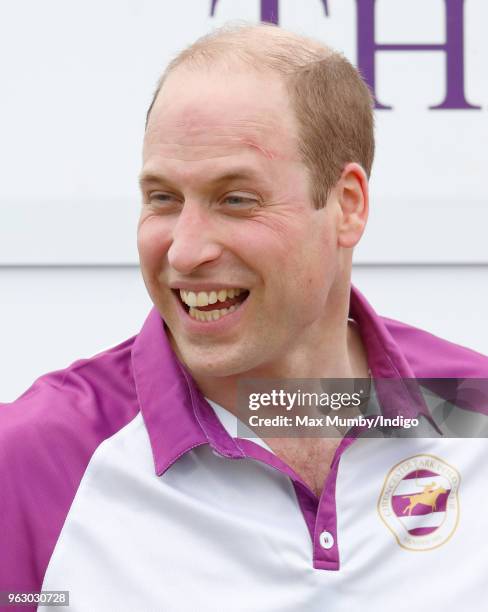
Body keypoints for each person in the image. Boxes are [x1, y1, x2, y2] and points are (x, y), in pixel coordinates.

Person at [1, 22, 487, 612]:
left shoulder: (473, 410)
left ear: (347, 206)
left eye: (236, 199)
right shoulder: (32, 460)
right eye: (163, 199)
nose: (184, 250)